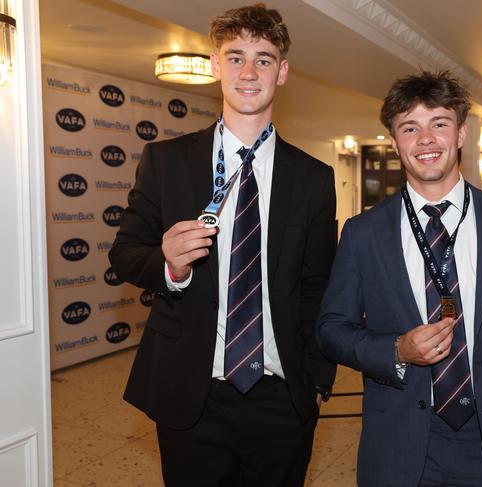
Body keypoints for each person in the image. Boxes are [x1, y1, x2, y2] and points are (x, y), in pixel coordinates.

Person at [109, 4, 337, 486]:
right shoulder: (166, 161)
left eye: (264, 58)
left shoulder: (314, 178)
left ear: (283, 71)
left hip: (282, 395)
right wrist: (170, 265)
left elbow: (318, 286)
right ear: (215, 67)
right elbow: (125, 253)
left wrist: (318, 380)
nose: (249, 72)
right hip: (191, 394)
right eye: (235, 58)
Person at [316, 71, 482, 487]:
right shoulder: (362, 233)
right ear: (394, 142)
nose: (425, 139)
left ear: (462, 133)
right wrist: (396, 349)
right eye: (410, 127)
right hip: (398, 447)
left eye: (439, 124)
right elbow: (331, 331)